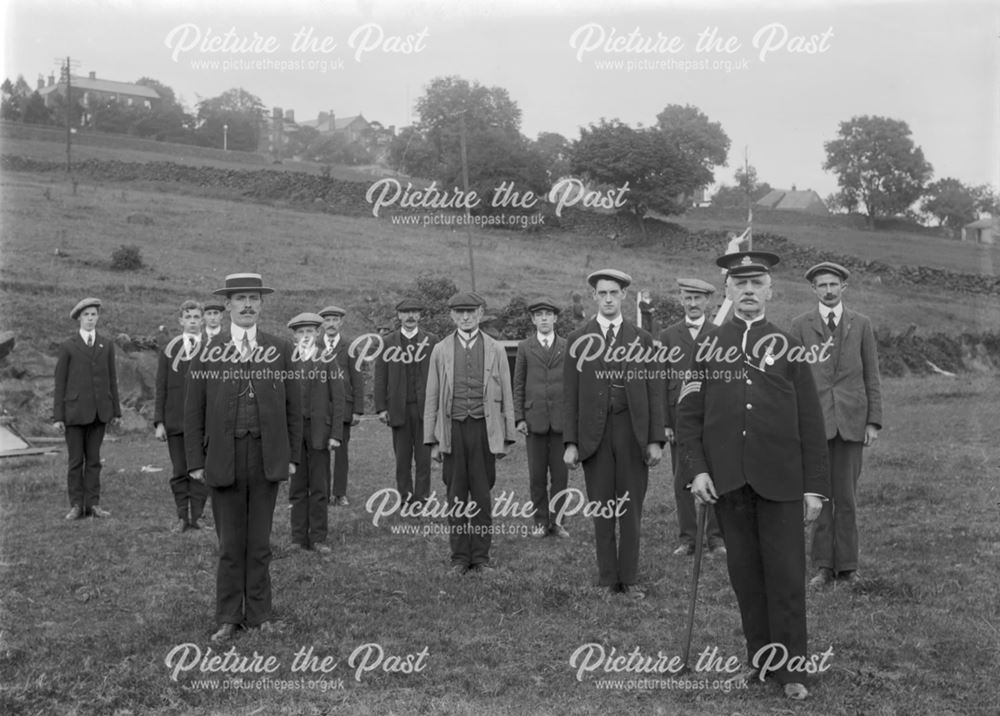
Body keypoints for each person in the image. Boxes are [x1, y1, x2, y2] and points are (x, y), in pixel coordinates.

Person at [677, 251, 829, 701]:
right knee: (746, 577)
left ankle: (792, 670)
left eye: (756, 282)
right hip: (729, 484)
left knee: (785, 576)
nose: (747, 291)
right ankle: (760, 662)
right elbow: (688, 416)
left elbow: (811, 423)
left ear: (769, 290)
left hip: (781, 482)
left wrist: (815, 487)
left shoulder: (788, 346)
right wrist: (698, 472)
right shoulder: (707, 346)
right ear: (726, 291)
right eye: (738, 283)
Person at [185, 272, 302, 642]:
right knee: (230, 543)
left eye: (253, 298)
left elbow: (294, 408)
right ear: (229, 305)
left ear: (262, 304)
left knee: (261, 541)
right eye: (240, 299)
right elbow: (192, 411)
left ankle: (261, 614)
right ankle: (228, 616)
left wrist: (292, 457)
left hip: (266, 456)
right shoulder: (207, 350)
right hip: (224, 456)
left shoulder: (281, 349)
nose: (247, 305)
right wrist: (194, 462)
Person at [563, 269, 664, 598]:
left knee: (630, 508)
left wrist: (653, 439)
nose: (608, 299)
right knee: (603, 508)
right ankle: (608, 578)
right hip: (594, 435)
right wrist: (571, 443)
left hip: (631, 432)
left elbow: (654, 392)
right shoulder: (579, 339)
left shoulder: (642, 339)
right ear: (594, 297)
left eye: (614, 293)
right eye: (602, 293)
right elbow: (571, 394)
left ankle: (629, 578)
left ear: (624, 296)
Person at [790, 262, 883, 587]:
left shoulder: (861, 324)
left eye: (833, 284)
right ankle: (822, 567)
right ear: (813, 290)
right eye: (821, 285)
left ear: (844, 287)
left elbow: (871, 374)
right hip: (815, 425)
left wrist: (873, 421)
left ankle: (848, 565)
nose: (828, 290)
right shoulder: (800, 326)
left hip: (852, 423)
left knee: (846, 496)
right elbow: (793, 381)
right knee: (818, 495)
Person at [424, 292, 516, 574]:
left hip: (483, 430)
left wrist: (506, 434)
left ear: (480, 313)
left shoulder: (495, 349)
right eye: (460, 312)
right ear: (452, 315)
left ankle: (481, 557)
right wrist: (433, 439)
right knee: (455, 495)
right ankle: (460, 557)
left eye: (471, 311)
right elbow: (432, 395)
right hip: (452, 430)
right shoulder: (440, 350)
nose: (465, 317)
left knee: (482, 494)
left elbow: (508, 394)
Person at [658, 278, 725, 556]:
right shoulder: (668, 335)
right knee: (682, 476)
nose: (693, 304)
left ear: (707, 301)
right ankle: (688, 538)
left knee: (718, 475)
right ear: (681, 300)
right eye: (688, 298)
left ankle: (716, 537)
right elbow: (660, 381)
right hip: (679, 419)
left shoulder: (722, 333)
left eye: (698, 298)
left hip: (714, 418)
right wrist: (665, 422)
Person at [53, 297, 121, 520]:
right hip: (74, 413)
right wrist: (58, 416)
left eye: (94, 315)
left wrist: (115, 411)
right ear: (79, 319)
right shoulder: (68, 347)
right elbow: (60, 383)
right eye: (86, 315)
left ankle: (93, 504)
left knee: (94, 460)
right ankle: (75, 505)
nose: (90, 319)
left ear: (98, 317)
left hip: (99, 413)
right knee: (75, 461)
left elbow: (112, 379)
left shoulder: (106, 345)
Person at [287, 312, 344, 554]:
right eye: (300, 332)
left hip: (320, 431)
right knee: (297, 487)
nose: (305, 336)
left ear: (317, 334)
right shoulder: (288, 361)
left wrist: (335, 433)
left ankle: (318, 536)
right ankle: (298, 538)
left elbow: (338, 399)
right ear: (294, 337)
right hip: (295, 433)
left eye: (309, 332)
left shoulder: (327, 359)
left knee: (319, 487)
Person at [513, 297, 569, 538]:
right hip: (534, 420)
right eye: (539, 315)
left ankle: (557, 522)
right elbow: (519, 383)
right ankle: (539, 521)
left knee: (560, 476)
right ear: (533, 320)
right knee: (537, 475)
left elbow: (574, 385)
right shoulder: (525, 347)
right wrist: (519, 417)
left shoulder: (568, 345)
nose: (544, 318)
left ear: (555, 318)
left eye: (549, 314)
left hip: (561, 421)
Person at [374, 298, 437, 506]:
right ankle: (405, 498)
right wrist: (381, 408)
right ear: (399, 315)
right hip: (398, 409)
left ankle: (422, 499)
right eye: (406, 312)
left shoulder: (432, 341)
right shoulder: (387, 341)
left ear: (420, 316)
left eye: (415, 312)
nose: (410, 316)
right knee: (402, 460)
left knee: (424, 460)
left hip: (425, 410)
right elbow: (380, 377)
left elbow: (439, 375)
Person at [154, 300, 208, 532]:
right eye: (189, 317)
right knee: (179, 470)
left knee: (200, 470)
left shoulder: (212, 349)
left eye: (197, 317)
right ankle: (181, 516)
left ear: (202, 320)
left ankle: (198, 515)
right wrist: (159, 422)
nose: (193, 321)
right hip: (176, 421)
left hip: (204, 423)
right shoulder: (170, 349)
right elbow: (161, 387)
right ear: (181, 321)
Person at [318, 305, 365, 506]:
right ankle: (322, 491)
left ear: (341, 323)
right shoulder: (315, 345)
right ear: (322, 324)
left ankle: (339, 493)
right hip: (320, 408)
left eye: (334, 320)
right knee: (320, 452)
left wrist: (357, 410)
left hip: (343, 408)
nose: (330, 324)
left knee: (341, 452)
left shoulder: (350, 347)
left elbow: (358, 379)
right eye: (327, 320)